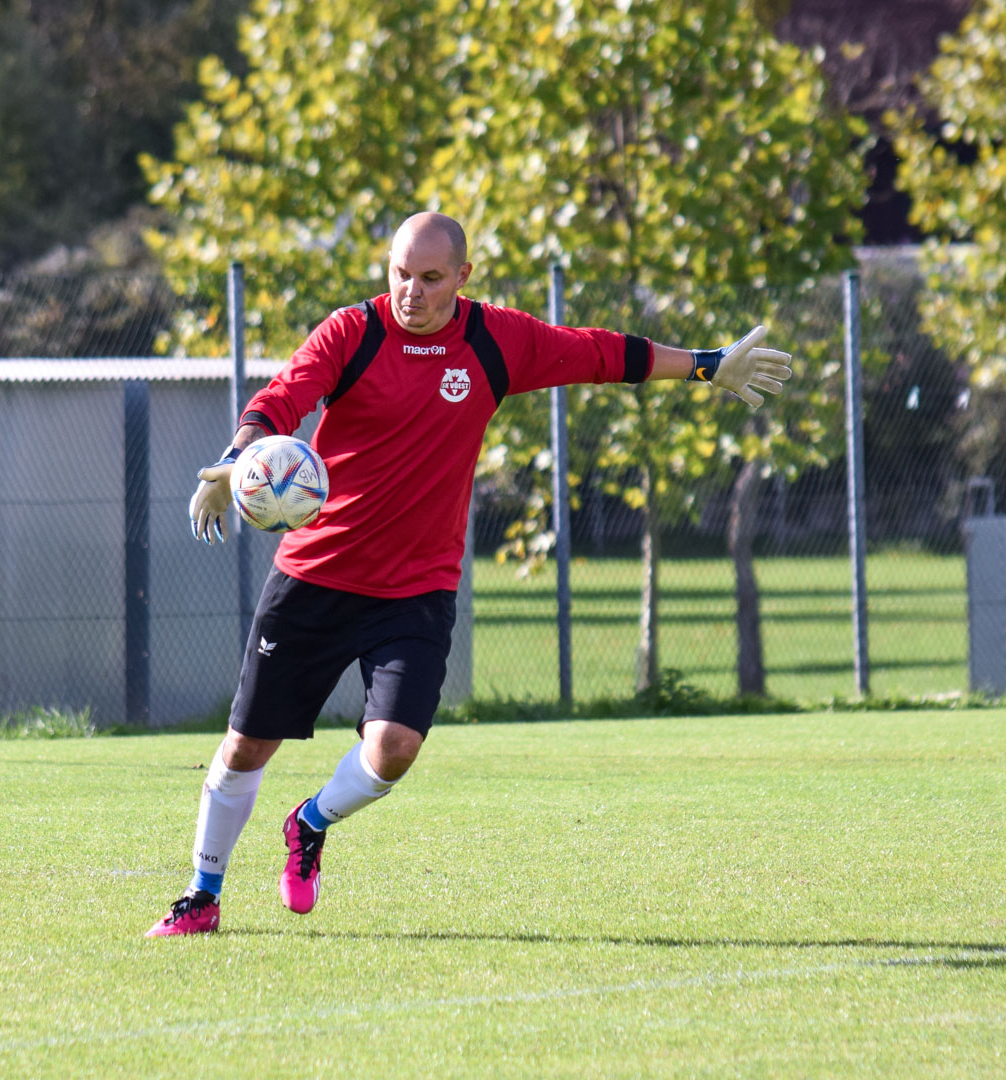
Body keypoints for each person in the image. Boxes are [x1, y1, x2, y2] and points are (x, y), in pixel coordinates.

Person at [147, 212, 791, 936]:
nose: (412, 291)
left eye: (430, 278)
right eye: (400, 274)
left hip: (416, 589)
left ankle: (311, 822)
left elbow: (601, 353)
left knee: (394, 749)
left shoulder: (495, 341)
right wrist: (238, 458)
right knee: (246, 746)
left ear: (462, 276)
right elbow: (281, 399)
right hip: (316, 576)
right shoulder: (352, 333)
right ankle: (201, 896)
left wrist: (706, 364)